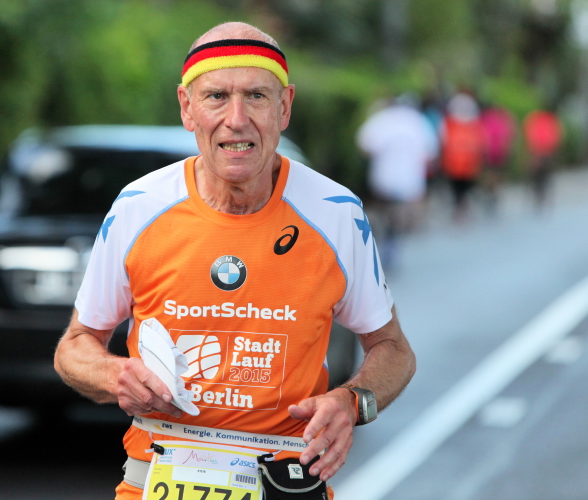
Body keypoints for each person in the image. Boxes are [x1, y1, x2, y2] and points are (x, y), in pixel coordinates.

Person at [54, 22, 415, 499]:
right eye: (217, 97)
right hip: (155, 477)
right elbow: (74, 346)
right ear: (187, 107)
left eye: (256, 97)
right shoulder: (138, 207)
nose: (237, 119)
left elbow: (394, 351)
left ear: (285, 107)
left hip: (287, 483)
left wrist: (352, 403)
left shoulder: (335, 213)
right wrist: (114, 375)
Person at [357, 94, 438, 271]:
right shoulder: (418, 121)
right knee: (398, 213)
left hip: (383, 176)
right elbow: (430, 151)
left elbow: (365, 145)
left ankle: (385, 240)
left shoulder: (382, 119)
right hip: (409, 178)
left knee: (385, 210)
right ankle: (391, 240)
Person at [440, 91, 485, 221]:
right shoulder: (452, 124)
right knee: (460, 189)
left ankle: (461, 209)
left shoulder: (452, 124)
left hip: (461, 164)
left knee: (460, 189)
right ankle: (461, 208)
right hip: (458, 164)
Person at [523, 108, 562, 208]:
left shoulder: (534, 119)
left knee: (537, 174)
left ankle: (539, 193)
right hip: (547, 151)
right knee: (544, 174)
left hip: (538, 152)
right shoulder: (550, 120)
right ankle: (542, 193)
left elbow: (530, 135)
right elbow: (556, 135)